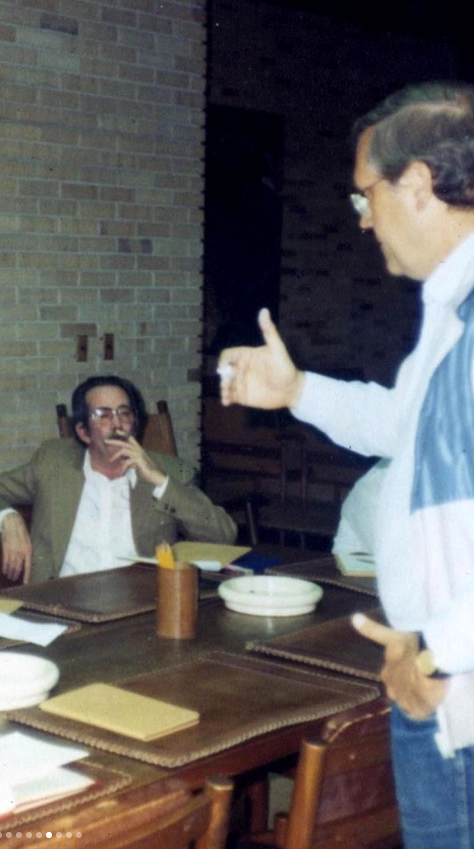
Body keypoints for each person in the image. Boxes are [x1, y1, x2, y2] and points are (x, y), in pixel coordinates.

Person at [217, 82, 474, 849]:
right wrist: (296, 390)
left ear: (419, 185)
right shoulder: (451, 308)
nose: (361, 219)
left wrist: (438, 649)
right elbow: (408, 425)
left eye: (366, 195)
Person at [0, 375, 237, 584]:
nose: (116, 424)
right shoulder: (53, 463)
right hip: (62, 605)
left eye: (124, 413)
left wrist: (161, 482)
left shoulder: (169, 471)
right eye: (103, 415)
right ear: (83, 431)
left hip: (139, 609)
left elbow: (223, 537)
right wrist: (8, 518)